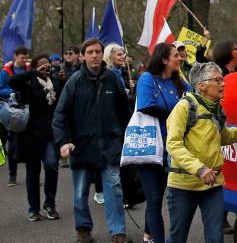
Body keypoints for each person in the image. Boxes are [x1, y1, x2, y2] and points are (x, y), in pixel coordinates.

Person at [165, 62, 237, 243]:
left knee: (216, 238)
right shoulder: (184, 107)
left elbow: (224, 136)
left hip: (212, 184)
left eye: (222, 79)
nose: (223, 84)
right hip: (183, 185)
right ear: (201, 86)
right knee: (177, 237)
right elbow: (173, 144)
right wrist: (200, 169)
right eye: (217, 80)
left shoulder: (217, 108)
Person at [52, 38, 132, 243]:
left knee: (114, 190)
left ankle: (118, 232)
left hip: (110, 145)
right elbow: (60, 115)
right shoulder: (74, 81)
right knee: (80, 193)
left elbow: (126, 112)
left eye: (98, 51)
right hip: (81, 146)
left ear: (102, 54)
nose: (94, 55)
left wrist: (125, 138)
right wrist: (63, 142)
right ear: (83, 56)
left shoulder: (114, 79)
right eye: (90, 52)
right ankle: (83, 229)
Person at [135, 42, 190, 243]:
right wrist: (178, 115)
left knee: (165, 198)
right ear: (164, 59)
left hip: (174, 148)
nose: (180, 58)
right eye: (176, 55)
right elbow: (146, 106)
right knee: (155, 198)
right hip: (152, 147)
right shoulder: (147, 79)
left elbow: (193, 101)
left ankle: (148, 234)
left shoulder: (179, 82)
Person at [8, 54, 63, 221]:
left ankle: (50, 205)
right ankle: (33, 208)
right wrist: (33, 72)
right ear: (34, 67)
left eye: (47, 65)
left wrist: (62, 78)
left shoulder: (55, 83)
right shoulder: (28, 83)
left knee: (52, 166)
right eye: (41, 65)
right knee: (33, 173)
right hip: (30, 136)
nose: (45, 68)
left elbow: (64, 103)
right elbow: (12, 82)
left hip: (50, 134)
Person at [0, 45, 29, 187]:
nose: (24, 60)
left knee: (31, 144)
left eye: (26, 57)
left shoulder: (29, 70)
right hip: (11, 112)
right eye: (22, 57)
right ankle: (12, 175)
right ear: (15, 56)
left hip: (27, 111)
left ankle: (32, 175)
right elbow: (0, 89)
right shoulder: (5, 72)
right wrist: (13, 91)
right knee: (12, 144)